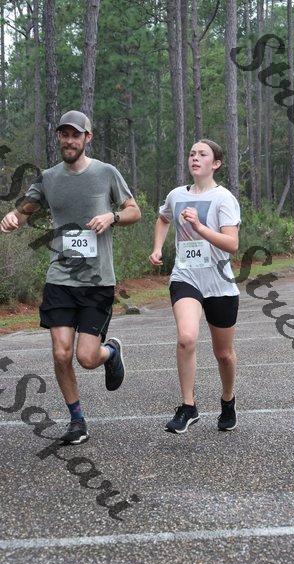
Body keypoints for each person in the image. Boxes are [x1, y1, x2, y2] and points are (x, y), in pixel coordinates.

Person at [0, 110, 141, 444]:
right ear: (58, 137)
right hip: (60, 278)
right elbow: (24, 211)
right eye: (64, 134)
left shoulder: (106, 173)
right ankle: (77, 420)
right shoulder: (48, 178)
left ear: (87, 138)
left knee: (86, 357)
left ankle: (110, 353)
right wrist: (12, 218)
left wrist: (112, 216)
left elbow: (134, 211)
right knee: (61, 353)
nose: (69, 140)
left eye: (76, 135)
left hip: (97, 281)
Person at [149, 139, 240, 434]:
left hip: (219, 283)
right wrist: (158, 247)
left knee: (223, 354)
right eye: (191, 154)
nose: (195, 158)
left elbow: (232, 244)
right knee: (186, 338)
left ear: (216, 164)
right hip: (185, 276)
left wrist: (200, 227)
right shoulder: (176, 195)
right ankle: (188, 406)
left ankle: (228, 400)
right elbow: (163, 218)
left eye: (202, 154)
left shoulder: (224, 198)